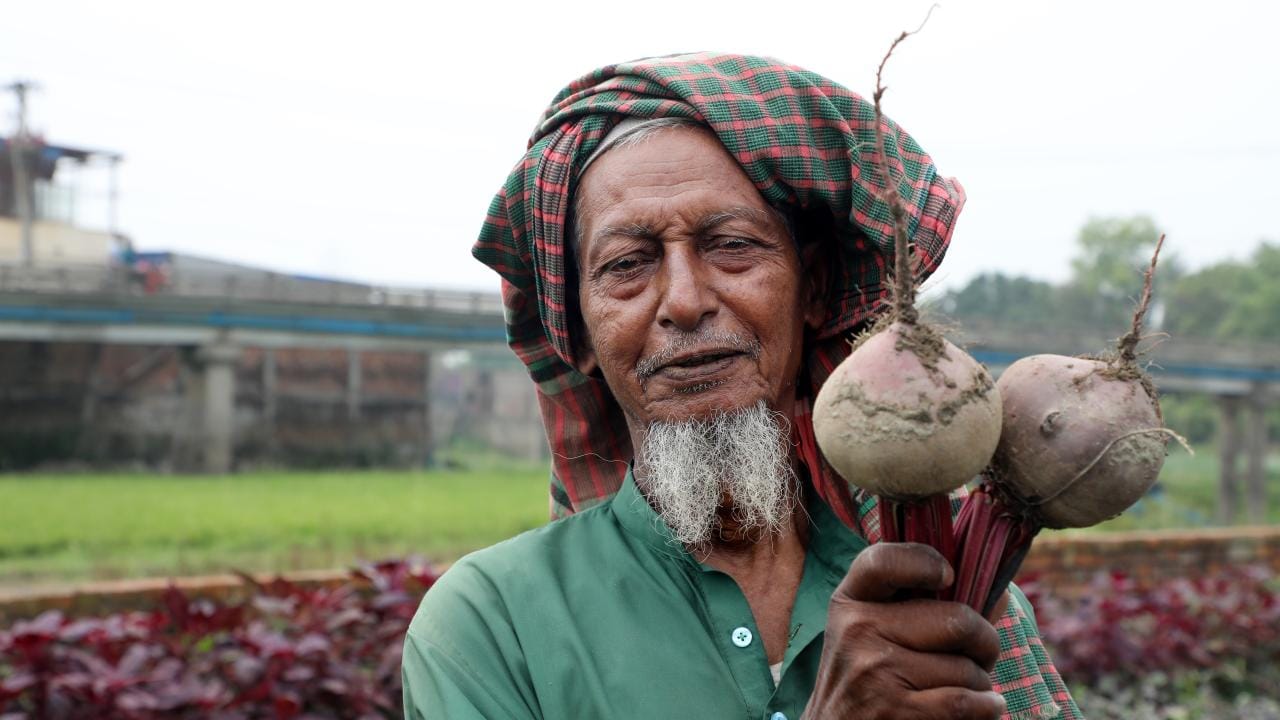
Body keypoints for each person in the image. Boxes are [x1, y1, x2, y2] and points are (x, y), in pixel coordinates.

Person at [403, 52, 1081, 719]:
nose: (684, 300)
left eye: (731, 245)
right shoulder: (492, 624)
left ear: (812, 290)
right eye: (628, 264)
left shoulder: (943, 590)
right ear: (578, 333)